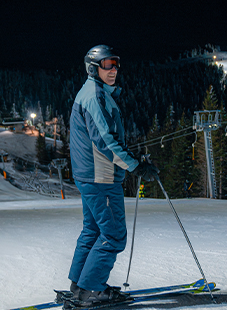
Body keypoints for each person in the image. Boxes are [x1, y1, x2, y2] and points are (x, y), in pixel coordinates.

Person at [67, 44, 159, 306]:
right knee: (114, 234)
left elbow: (106, 138)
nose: (114, 69)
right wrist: (135, 166)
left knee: (93, 230)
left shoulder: (95, 94)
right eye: (107, 65)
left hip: (92, 176)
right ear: (93, 68)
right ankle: (90, 290)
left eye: (116, 63)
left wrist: (132, 160)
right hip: (101, 178)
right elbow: (105, 141)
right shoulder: (94, 96)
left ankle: (79, 284)